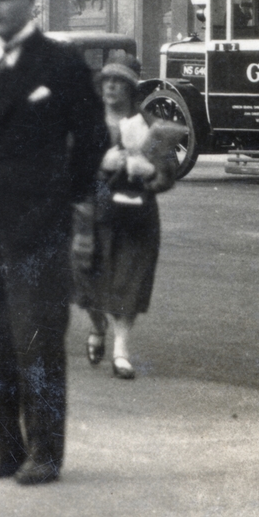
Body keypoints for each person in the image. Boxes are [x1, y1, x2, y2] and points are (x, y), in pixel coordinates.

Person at [0, 0, 107, 487]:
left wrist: (62, 201)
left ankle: (46, 452)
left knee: (38, 338)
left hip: (39, 229)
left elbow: (90, 143)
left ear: (30, 1)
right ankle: (4, 449)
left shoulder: (61, 63)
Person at [72, 63, 181, 381]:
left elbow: (169, 170)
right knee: (86, 277)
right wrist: (98, 163)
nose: (111, 87)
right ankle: (97, 326)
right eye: (107, 81)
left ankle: (121, 351)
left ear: (131, 89)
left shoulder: (150, 124)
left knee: (130, 281)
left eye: (119, 82)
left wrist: (152, 172)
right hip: (91, 215)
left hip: (137, 215)